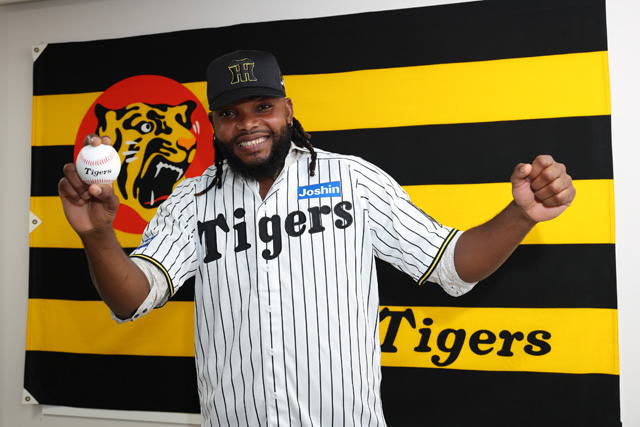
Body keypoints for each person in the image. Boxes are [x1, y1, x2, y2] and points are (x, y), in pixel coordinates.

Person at [58, 50, 576, 427]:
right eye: (230, 114)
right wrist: (98, 235)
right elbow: (132, 299)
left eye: (262, 107)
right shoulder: (190, 200)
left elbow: (452, 265)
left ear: (287, 108)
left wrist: (521, 215)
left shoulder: (354, 180)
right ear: (213, 125)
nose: (248, 125)